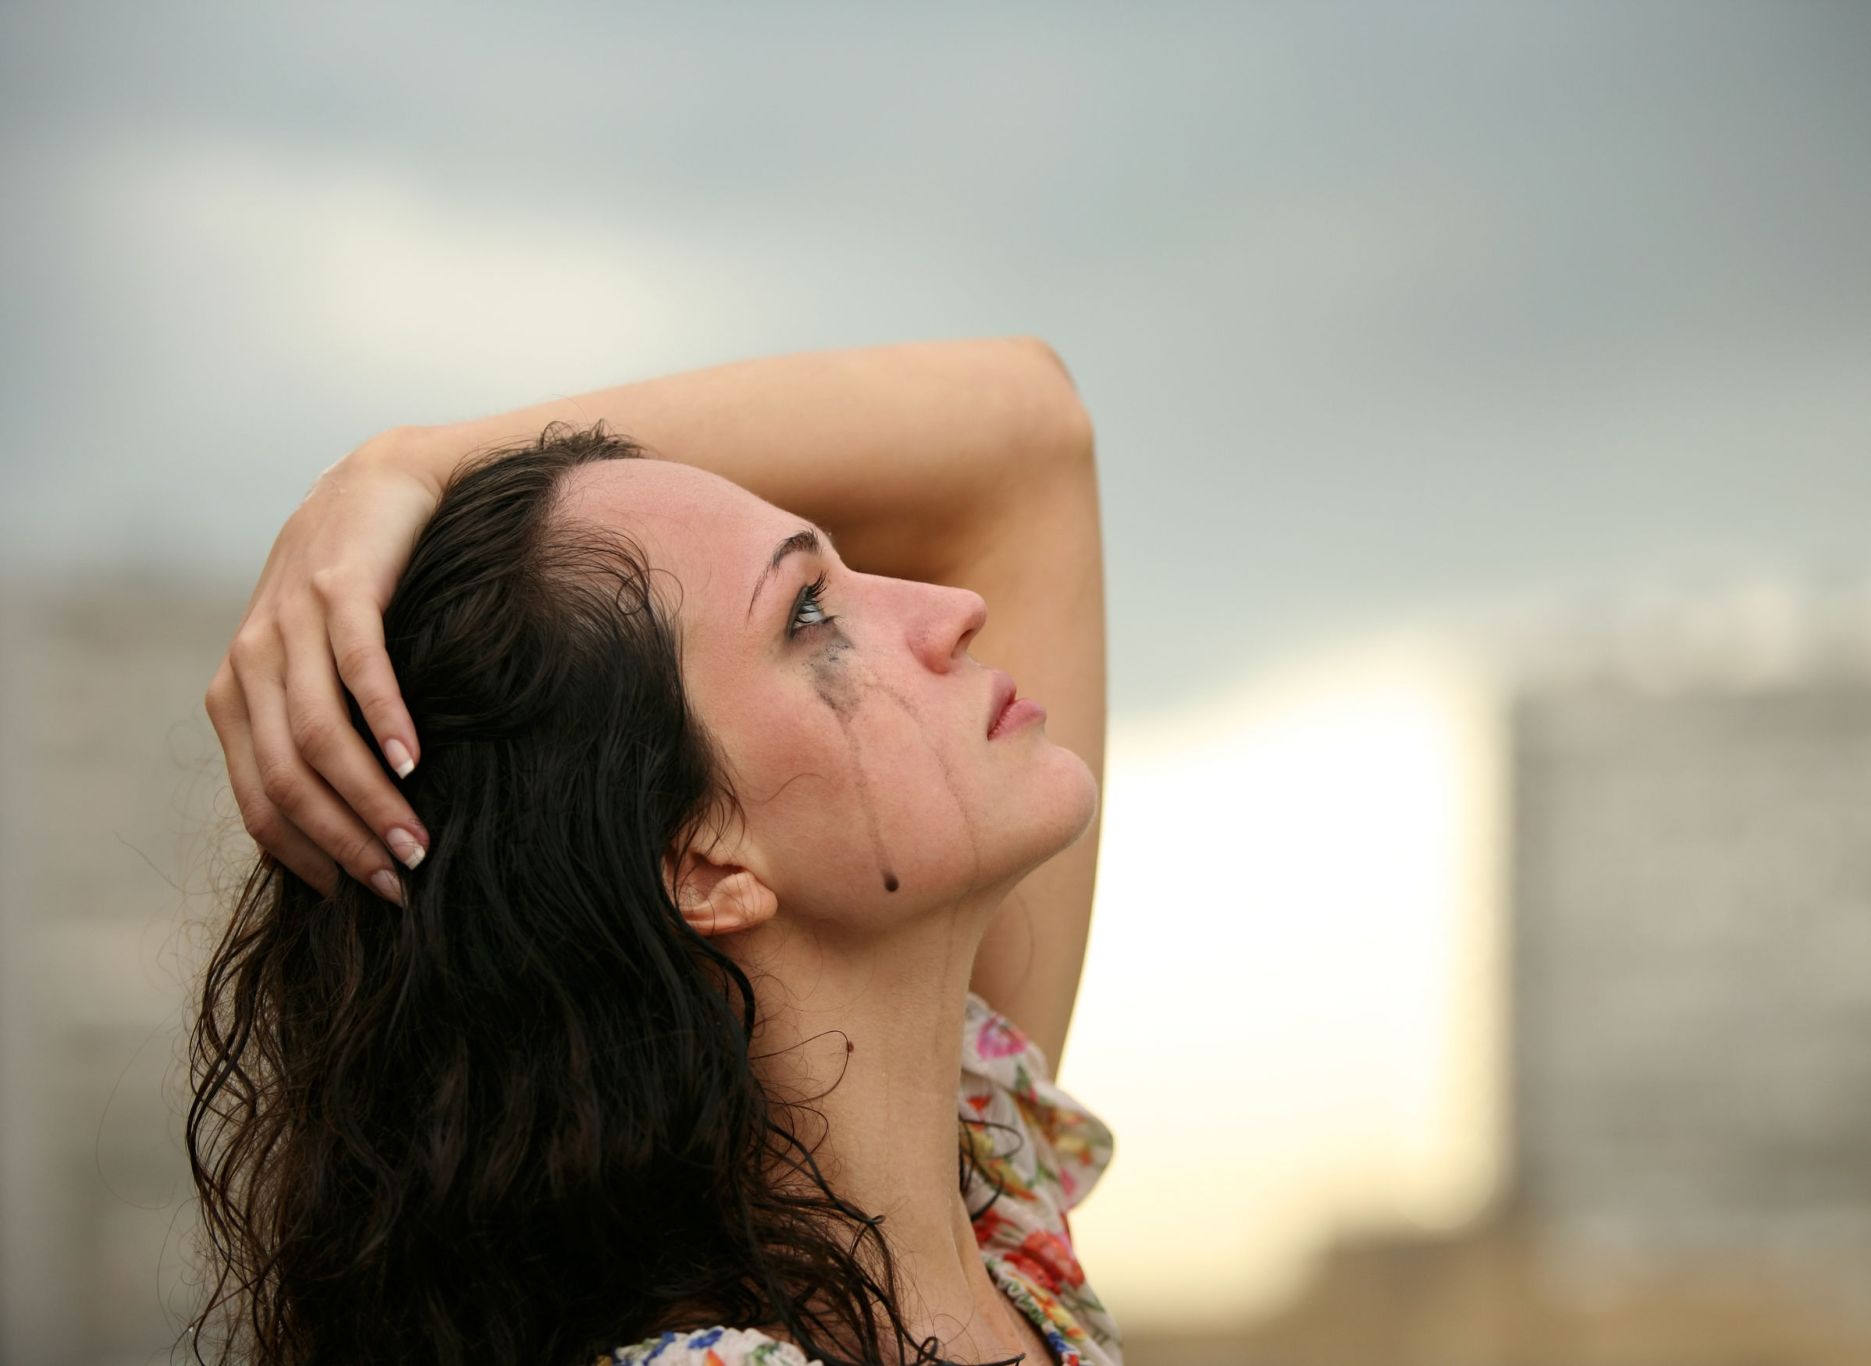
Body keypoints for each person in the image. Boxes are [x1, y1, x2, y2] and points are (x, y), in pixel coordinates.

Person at [195, 337, 1118, 1366]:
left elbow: (1027, 435)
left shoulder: (987, 1200)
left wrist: (404, 467)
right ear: (700, 863)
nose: (954, 610)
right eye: (810, 612)